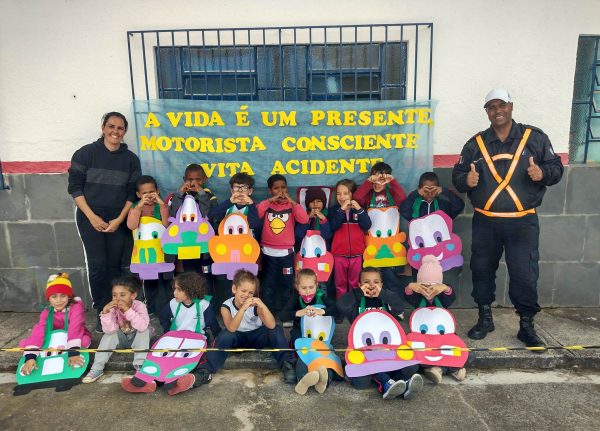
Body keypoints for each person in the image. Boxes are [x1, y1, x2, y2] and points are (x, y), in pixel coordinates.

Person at [452, 89, 564, 349]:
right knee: (481, 270)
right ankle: (485, 319)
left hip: (522, 222)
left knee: (525, 273)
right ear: (487, 112)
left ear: (511, 106)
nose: (497, 111)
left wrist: (542, 173)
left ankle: (526, 325)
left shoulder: (534, 138)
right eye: (491, 107)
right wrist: (465, 180)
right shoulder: (475, 144)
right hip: (485, 222)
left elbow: (556, 168)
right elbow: (458, 176)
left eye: (501, 105)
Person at [68, 112, 141, 332]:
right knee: (98, 265)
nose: (115, 131)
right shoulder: (85, 154)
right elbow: (75, 189)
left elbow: (132, 193)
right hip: (89, 216)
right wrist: (92, 217)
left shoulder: (131, 159)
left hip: (118, 217)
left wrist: (119, 219)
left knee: (116, 266)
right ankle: (103, 311)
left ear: (125, 131)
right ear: (103, 127)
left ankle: (120, 311)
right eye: (111, 126)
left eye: (120, 128)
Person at [191, 270, 296, 388]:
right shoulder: (226, 306)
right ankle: (205, 371)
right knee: (225, 335)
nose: (247, 295)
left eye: (251, 293)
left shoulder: (255, 305)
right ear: (234, 289)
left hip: (257, 338)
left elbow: (271, 325)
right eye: (243, 291)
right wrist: (243, 308)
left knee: (276, 330)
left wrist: (263, 306)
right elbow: (231, 328)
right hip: (237, 339)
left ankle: (288, 365)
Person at [121, 271, 221, 395]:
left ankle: (185, 380)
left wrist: (217, 339)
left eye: (179, 290)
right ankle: (149, 381)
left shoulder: (203, 305)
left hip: (196, 340)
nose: (174, 293)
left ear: (190, 290)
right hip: (174, 338)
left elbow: (213, 324)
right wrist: (168, 333)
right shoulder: (173, 304)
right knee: (162, 358)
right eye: (174, 289)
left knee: (189, 360)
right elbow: (163, 317)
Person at [337, 267, 422, 400]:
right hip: (366, 351)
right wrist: (357, 293)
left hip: (388, 349)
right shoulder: (356, 303)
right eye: (366, 282)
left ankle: (405, 383)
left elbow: (399, 306)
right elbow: (340, 305)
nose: (371, 285)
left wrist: (383, 294)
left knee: (408, 364)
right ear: (359, 285)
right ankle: (387, 383)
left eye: (376, 282)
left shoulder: (387, 301)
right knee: (367, 374)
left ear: (382, 285)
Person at [404, 255, 467, 384]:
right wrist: (410, 287)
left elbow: (451, 295)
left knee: (466, 353)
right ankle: (446, 368)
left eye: (433, 286)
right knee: (414, 353)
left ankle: (440, 369)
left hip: (441, 337)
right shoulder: (417, 298)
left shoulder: (443, 298)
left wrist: (445, 288)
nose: (428, 289)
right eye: (424, 286)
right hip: (423, 337)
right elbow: (407, 295)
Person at [256, 174, 309, 322]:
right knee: (268, 285)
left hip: (286, 253)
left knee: (287, 285)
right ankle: (268, 315)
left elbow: (304, 219)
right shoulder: (267, 205)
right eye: (276, 188)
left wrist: (292, 202)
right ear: (270, 190)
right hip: (268, 253)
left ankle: (287, 316)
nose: (280, 191)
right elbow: (256, 214)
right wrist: (269, 201)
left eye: (283, 188)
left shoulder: (291, 206)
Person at [19, 273, 91, 376]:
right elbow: (40, 331)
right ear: (49, 299)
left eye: (63, 296)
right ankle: (32, 356)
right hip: (54, 338)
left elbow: (75, 327)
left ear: (69, 296)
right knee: (25, 344)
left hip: (73, 337)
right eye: (54, 296)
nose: (58, 300)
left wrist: (73, 352)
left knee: (85, 341)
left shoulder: (76, 307)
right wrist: (30, 356)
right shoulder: (47, 312)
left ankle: (68, 352)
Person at [353, 162, 408, 297]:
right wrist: (368, 182)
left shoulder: (391, 193)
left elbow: (403, 199)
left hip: (392, 244)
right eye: (375, 178)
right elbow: (357, 198)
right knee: (374, 278)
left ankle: (395, 304)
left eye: (382, 179)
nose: (378, 182)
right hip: (373, 244)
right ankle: (376, 303)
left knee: (391, 278)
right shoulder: (368, 195)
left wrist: (393, 182)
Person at [83, 275, 150, 383]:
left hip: (137, 338)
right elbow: (109, 330)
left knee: (145, 331)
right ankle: (97, 369)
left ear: (133, 295)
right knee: (109, 335)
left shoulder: (140, 306)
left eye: (123, 295)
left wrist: (128, 310)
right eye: (114, 295)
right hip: (121, 339)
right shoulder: (113, 309)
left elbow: (142, 326)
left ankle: (140, 366)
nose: (118, 299)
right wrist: (106, 313)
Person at [208, 172, 261, 311]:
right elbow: (212, 215)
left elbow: (255, 224)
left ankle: (245, 310)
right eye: (237, 187)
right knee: (227, 283)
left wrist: (251, 204)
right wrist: (229, 201)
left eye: (244, 188)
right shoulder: (228, 206)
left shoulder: (252, 208)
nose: (240, 191)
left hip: (245, 253)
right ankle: (226, 309)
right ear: (231, 190)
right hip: (226, 254)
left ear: (250, 191)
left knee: (245, 281)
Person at [279, 268, 336, 395]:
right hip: (300, 334)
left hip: (319, 335)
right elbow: (282, 316)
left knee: (324, 355)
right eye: (303, 288)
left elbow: (338, 310)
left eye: (311, 287)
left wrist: (322, 311)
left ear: (317, 285)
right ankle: (303, 378)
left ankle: (324, 380)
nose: (308, 291)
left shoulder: (321, 297)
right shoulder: (296, 298)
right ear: (297, 287)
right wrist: (298, 313)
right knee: (303, 354)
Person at [127, 175, 172, 315]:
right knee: (149, 281)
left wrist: (162, 206)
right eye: (144, 193)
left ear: (157, 191)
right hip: (144, 254)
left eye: (151, 192)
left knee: (166, 280)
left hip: (162, 251)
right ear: (138, 195)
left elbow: (167, 225)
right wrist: (139, 207)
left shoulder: (162, 206)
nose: (148, 196)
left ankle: (168, 308)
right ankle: (150, 308)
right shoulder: (135, 207)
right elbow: (131, 225)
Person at [328, 179, 372, 306]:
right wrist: (342, 210)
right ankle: (342, 307)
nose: (342, 197)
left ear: (352, 194)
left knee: (355, 283)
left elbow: (367, 225)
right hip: (339, 255)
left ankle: (354, 307)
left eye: (346, 193)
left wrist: (359, 209)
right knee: (340, 284)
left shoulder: (359, 209)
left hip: (357, 255)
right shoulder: (334, 210)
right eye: (338, 194)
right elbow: (333, 226)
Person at [399, 171, 465, 222]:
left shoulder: (442, 205)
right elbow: (402, 210)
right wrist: (415, 193)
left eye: (433, 190)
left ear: (438, 190)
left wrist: (445, 191)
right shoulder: (415, 205)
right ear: (420, 190)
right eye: (426, 190)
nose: (430, 193)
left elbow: (459, 206)